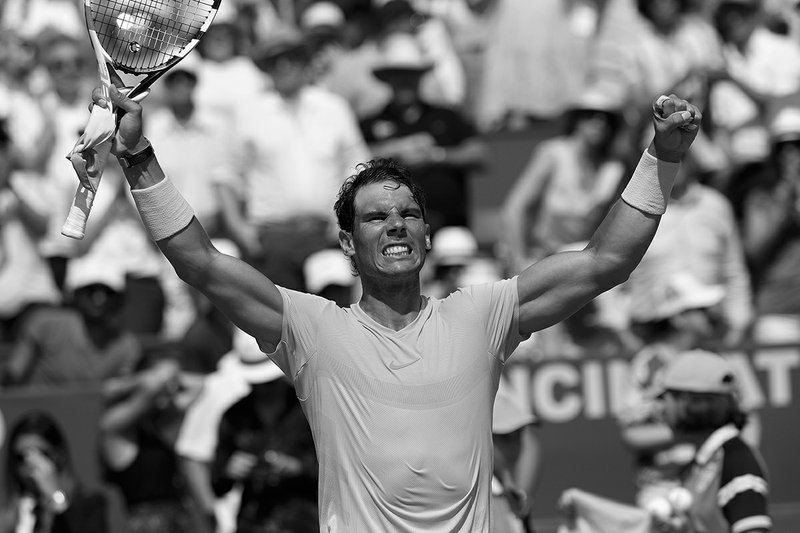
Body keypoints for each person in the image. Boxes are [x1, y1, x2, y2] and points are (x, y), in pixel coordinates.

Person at [85, 77, 701, 530]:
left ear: (428, 237)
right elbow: (200, 262)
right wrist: (138, 158)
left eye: (409, 214)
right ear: (348, 244)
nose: (396, 226)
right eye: (376, 217)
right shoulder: (311, 328)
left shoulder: (481, 314)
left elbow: (604, 262)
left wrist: (663, 156)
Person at [360, 32, 487, 237]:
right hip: (392, 227)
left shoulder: (446, 116)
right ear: (388, 79)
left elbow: (479, 153)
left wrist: (436, 156)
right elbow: (355, 157)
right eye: (398, 75)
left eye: (410, 75)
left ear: (420, 77)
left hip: (450, 224)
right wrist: (397, 151)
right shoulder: (371, 122)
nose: (404, 82)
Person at [657, 349, 771, 533]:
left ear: (688, 403)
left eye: (664, 398)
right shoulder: (700, 463)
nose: (659, 409)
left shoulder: (737, 461)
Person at [0, 411, 109, 533]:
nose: (31, 464)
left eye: (41, 453)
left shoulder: (88, 506)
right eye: (22, 457)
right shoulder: (6, 512)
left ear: (59, 455)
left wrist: (55, 496)